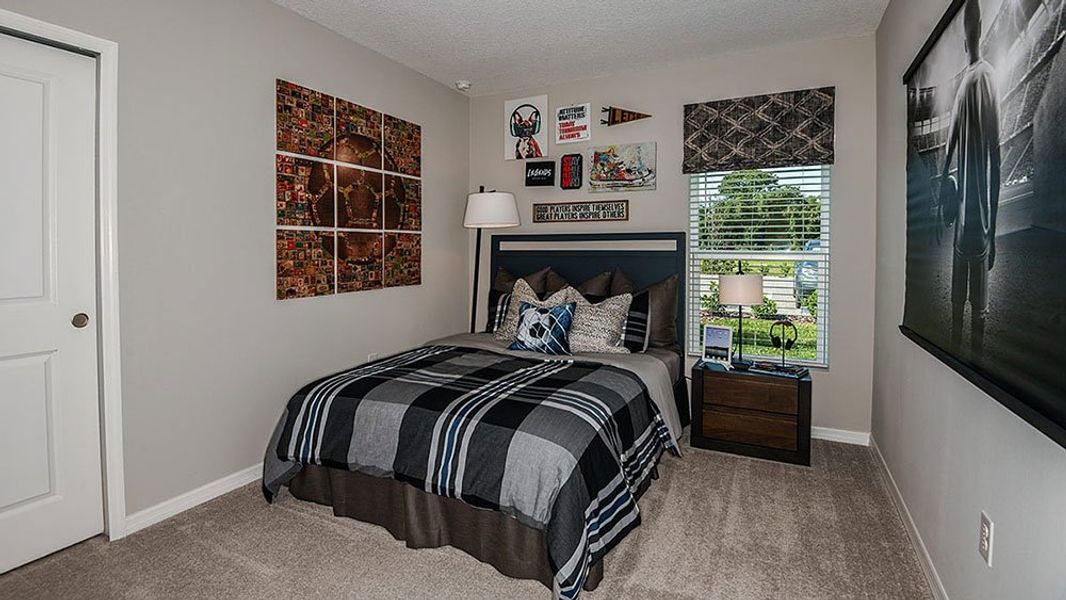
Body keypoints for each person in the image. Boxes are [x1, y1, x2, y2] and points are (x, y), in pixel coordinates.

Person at [941, 0, 1001, 356]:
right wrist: (992, 229)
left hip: (969, 224)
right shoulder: (979, 78)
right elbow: (995, 156)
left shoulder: (974, 80)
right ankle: (968, 362)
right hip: (974, 223)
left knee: (964, 312)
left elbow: (950, 153)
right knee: (969, 311)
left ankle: (967, 364)